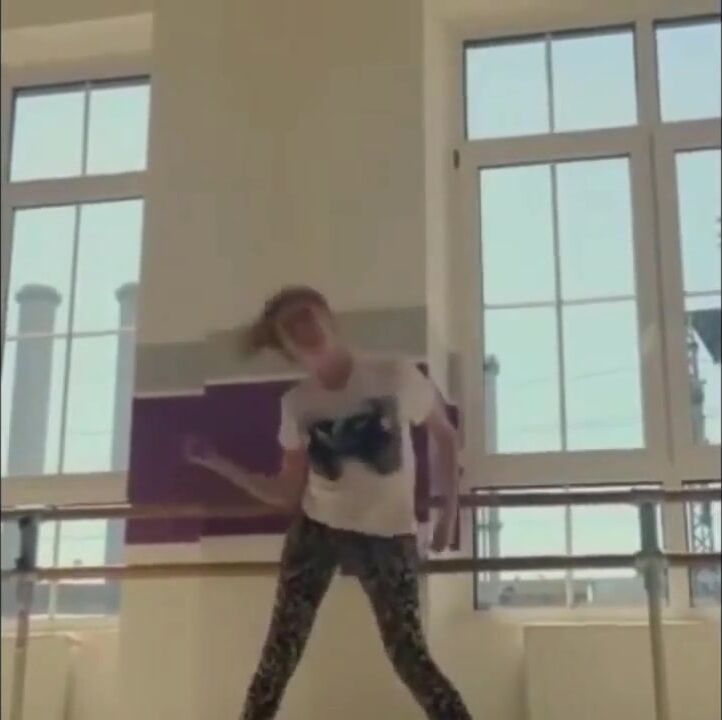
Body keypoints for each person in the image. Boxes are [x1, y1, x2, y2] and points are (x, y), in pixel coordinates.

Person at [184, 286, 472, 720]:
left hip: (388, 535)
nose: (304, 328)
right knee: (280, 652)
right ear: (287, 348)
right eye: (291, 327)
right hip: (319, 529)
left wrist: (449, 513)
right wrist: (217, 463)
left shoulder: (394, 376)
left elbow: (445, 436)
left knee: (409, 655)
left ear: (328, 317)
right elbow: (286, 492)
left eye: (307, 314)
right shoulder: (297, 404)